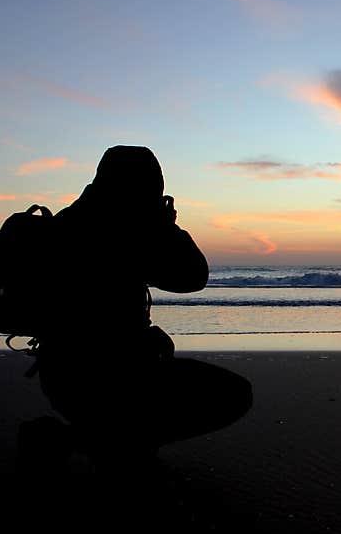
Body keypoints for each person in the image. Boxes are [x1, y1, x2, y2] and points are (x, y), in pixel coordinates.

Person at [35, 146, 252, 454]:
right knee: (234, 395)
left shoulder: (67, 222)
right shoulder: (120, 231)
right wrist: (167, 227)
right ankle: (81, 442)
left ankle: (111, 439)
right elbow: (193, 277)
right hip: (111, 381)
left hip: (60, 377)